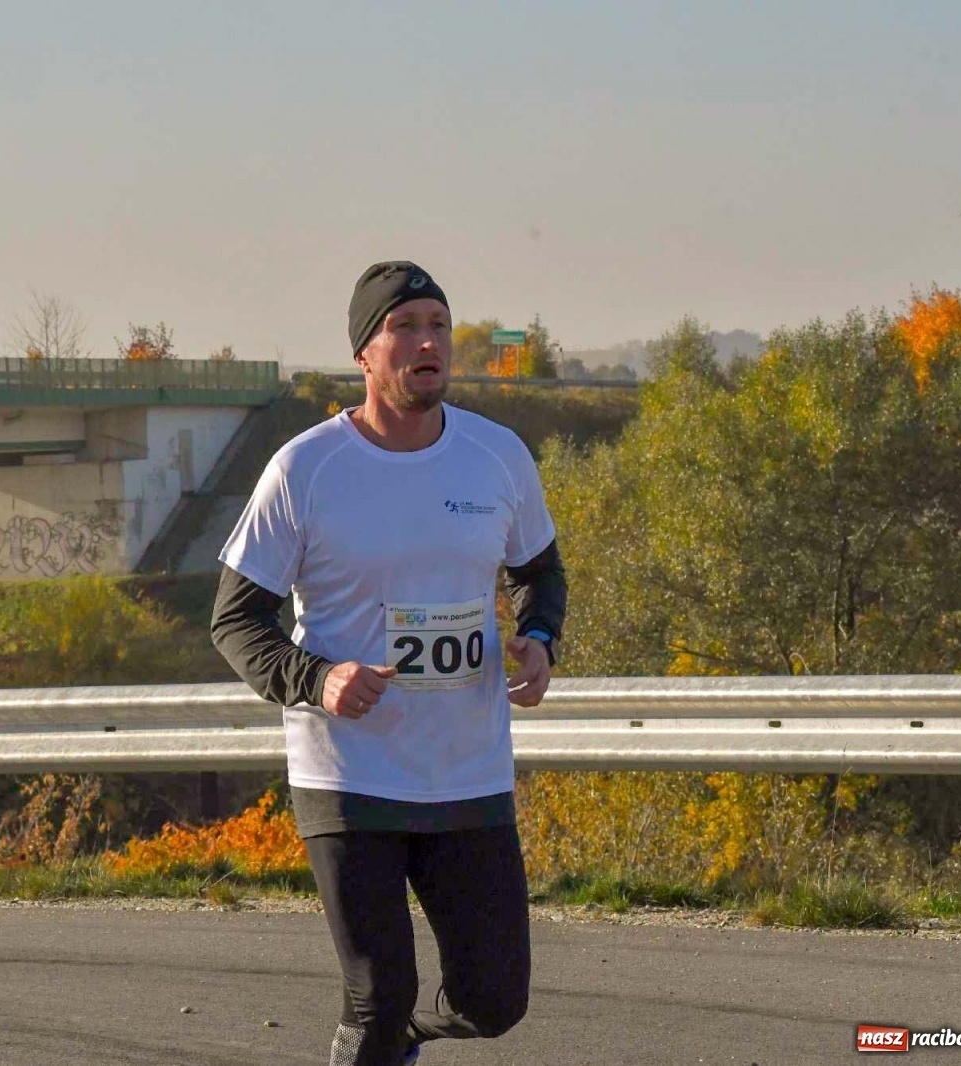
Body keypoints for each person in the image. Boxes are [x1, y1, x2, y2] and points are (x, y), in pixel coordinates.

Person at [211, 261, 567, 1066]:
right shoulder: (305, 469)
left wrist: (540, 638)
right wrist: (317, 677)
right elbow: (236, 621)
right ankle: (384, 1030)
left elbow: (540, 573)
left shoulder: (497, 456)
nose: (428, 340)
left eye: (438, 324)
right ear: (365, 355)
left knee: (494, 1001)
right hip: (348, 776)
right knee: (376, 997)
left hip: (466, 771)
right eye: (404, 327)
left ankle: (409, 1032)